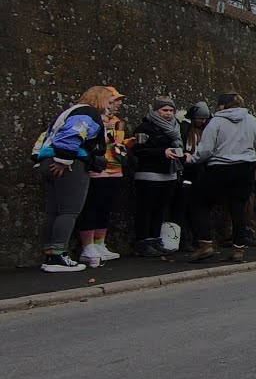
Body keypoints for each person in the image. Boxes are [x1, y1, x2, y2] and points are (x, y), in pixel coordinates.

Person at [34, 86, 110, 273]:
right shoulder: (87, 112)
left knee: (53, 211)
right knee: (69, 211)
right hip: (69, 162)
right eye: (108, 101)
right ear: (100, 99)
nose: (110, 106)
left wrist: (41, 159)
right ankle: (58, 255)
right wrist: (64, 158)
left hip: (47, 159)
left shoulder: (68, 112)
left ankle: (51, 254)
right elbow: (75, 132)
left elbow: (45, 137)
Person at [187, 93, 256, 263]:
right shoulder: (252, 120)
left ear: (222, 106)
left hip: (220, 167)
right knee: (238, 207)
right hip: (245, 168)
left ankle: (205, 244)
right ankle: (238, 248)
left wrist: (192, 159)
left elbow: (206, 149)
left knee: (200, 202)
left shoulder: (216, 122)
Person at [130, 98, 185, 256]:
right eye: (164, 110)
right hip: (149, 174)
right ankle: (143, 241)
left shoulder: (176, 128)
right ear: (156, 111)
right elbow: (139, 150)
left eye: (171, 110)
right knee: (145, 209)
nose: (168, 114)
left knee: (160, 210)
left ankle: (155, 239)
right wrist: (162, 152)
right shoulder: (144, 128)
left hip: (168, 174)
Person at [78, 86, 126, 266]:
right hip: (97, 168)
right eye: (114, 100)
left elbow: (118, 145)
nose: (117, 104)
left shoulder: (117, 121)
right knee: (92, 206)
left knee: (106, 207)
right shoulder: (93, 119)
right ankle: (87, 245)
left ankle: (100, 243)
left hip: (115, 168)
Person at [175, 102, 211, 252]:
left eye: (204, 119)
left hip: (201, 174)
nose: (202, 121)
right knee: (183, 208)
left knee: (198, 209)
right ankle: (185, 239)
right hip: (186, 172)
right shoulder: (184, 129)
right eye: (200, 118)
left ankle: (198, 239)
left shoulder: (207, 131)